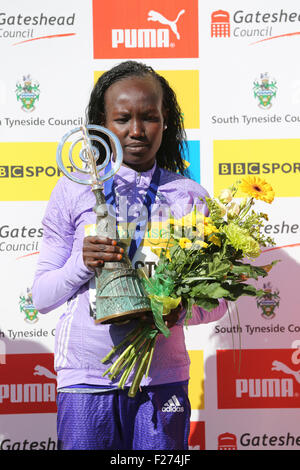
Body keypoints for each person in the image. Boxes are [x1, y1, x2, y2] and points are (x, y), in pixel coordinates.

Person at [32, 60, 227, 451]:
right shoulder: (74, 190)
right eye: (122, 118)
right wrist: (80, 264)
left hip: (163, 379)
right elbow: (41, 296)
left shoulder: (189, 196)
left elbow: (218, 301)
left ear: (165, 120)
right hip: (87, 378)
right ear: (101, 123)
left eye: (149, 117)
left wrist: (180, 311)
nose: (136, 131)